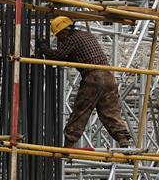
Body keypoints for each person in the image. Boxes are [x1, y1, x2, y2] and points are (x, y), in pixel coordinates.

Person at [37, 16, 131, 148]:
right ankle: (123, 140)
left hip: (94, 77)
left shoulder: (71, 39)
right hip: (108, 76)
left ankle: (69, 144)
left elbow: (57, 55)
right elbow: (73, 55)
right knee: (111, 111)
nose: (59, 39)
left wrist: (43, 48)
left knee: (81, 110)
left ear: (64, 31)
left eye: (58, 36)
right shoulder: (86, 35)